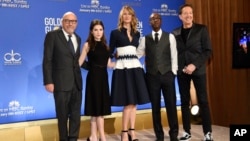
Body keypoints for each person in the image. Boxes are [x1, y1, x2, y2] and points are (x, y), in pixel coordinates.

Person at [172, 4, 213, 141]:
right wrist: (180, 67)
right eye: (185, 13)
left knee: (203, 101)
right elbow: (174, 52)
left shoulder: (201, 29)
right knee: (184, 102)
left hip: (198, 70)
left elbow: (208, 51)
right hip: (181, 71)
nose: (189, 15)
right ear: (180, 16)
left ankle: (208, 133)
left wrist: (194, 65)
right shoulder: (175, 32)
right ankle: (187, 132)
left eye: (190, 13)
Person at [109, 5, 150, 141]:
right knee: (128, 102)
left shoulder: (137, 33)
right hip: (123, 69)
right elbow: (109, 52)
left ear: (133, 17)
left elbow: (138, 52)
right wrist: (111, 62)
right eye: (124, 14)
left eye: (129, 14)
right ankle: (124, 132)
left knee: (135, 103)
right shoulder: (115, 33)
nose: (127, 16)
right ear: (121, 16)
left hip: (135, 67)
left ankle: (132, 131)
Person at [137, 13, 179, 141]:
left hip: (167, 75)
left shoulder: (170, 37)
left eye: (158, 19)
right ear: (149, 22)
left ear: (161, 21)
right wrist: (123, 55)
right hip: (152, 77)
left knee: (171, 106)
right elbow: (137, 54)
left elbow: (174, 56)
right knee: (155, 108)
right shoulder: (145, 39)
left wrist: (173, 73)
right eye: (153, 19)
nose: (155, 21)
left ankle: (173, 135)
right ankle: (159, 136)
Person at [42, 11, 82, 141]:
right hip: (60, 83)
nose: (71, 23)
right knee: (62, 116)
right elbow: (47, 60)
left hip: (76, 83)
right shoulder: (52, 36)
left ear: (76, 23)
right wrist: (48, 81)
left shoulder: (78, 38)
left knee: (76, 115)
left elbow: (77, 61)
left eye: (74, 21)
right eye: (68, 21)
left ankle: (73, 139)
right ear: (62, 22)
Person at [79, 19, 115, 141]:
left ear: (103, 31)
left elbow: (109, 64)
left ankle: (96, 136)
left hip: (104, 79)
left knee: (101, 110)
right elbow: (80, 62)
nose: (98, 32)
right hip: (93, 79)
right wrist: (91, 67)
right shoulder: (87, 45)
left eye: (100, 29)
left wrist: (123, 60)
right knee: (95, 109)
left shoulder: (106, 46)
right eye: (96, 30)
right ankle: (98, 136)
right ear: (91, 31)